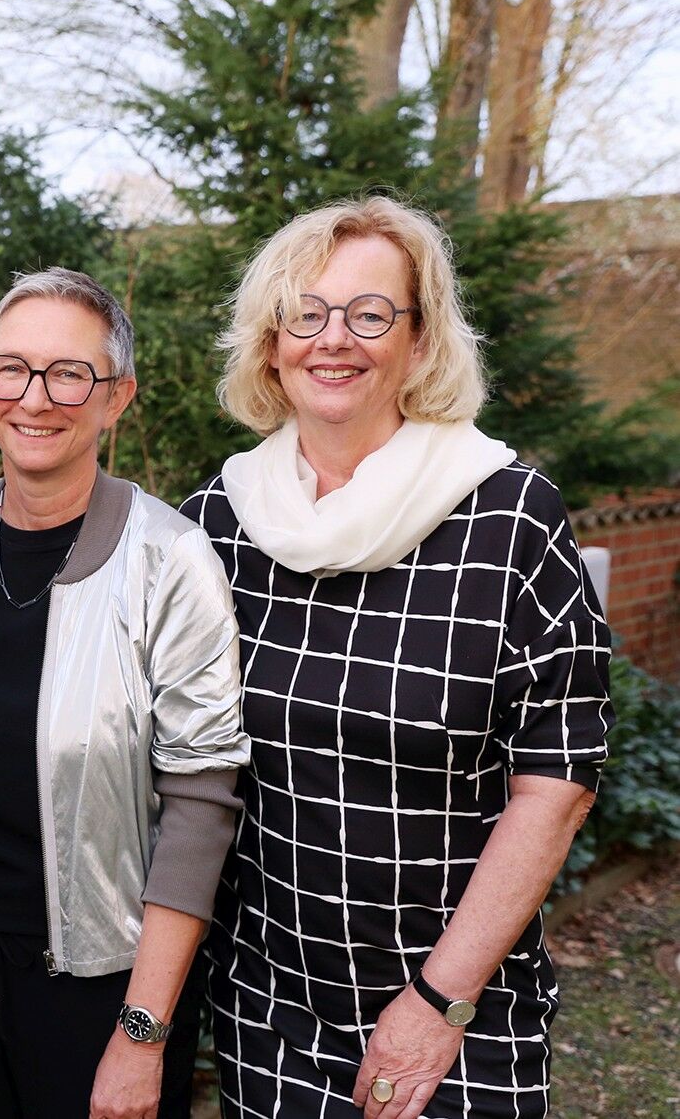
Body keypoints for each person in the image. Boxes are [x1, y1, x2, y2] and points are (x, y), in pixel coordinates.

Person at [181, 195, 613, 1119]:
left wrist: (434, 1003)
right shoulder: (217, 523)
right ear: (271, 341)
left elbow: (559, 782)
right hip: (269, 1006)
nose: (334, 338)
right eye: (307, 311)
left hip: (455, 1011)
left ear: (419, 342)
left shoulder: (510, 517)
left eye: (371, 313)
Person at [0, 267, 251, 1119]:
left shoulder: (172, 562)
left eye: (69, 373)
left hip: (99, 994)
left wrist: (142, 1031)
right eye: (11, 368)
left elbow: (202, 806)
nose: (35, 397)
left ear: (116, 396)